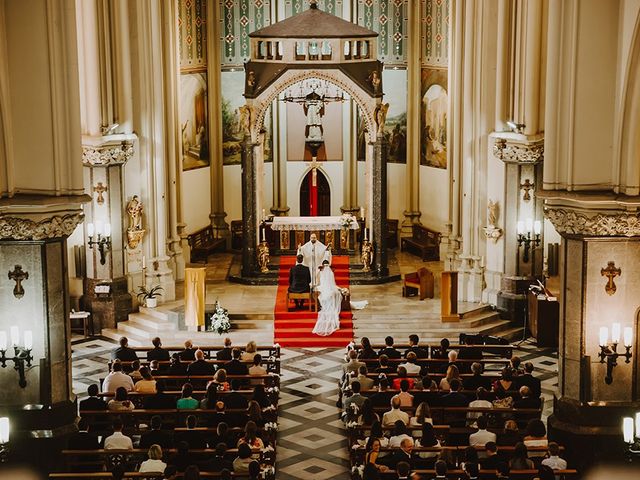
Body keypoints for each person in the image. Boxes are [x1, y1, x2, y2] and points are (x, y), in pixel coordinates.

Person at [313, 259, 342, 336]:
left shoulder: (320, 272)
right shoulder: (331, 273)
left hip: (323, 289)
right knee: (336, 292)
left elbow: (318, 282)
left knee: (316, 291)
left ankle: (318, 306)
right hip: (331, 289)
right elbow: (332, 283)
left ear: (322, 265)